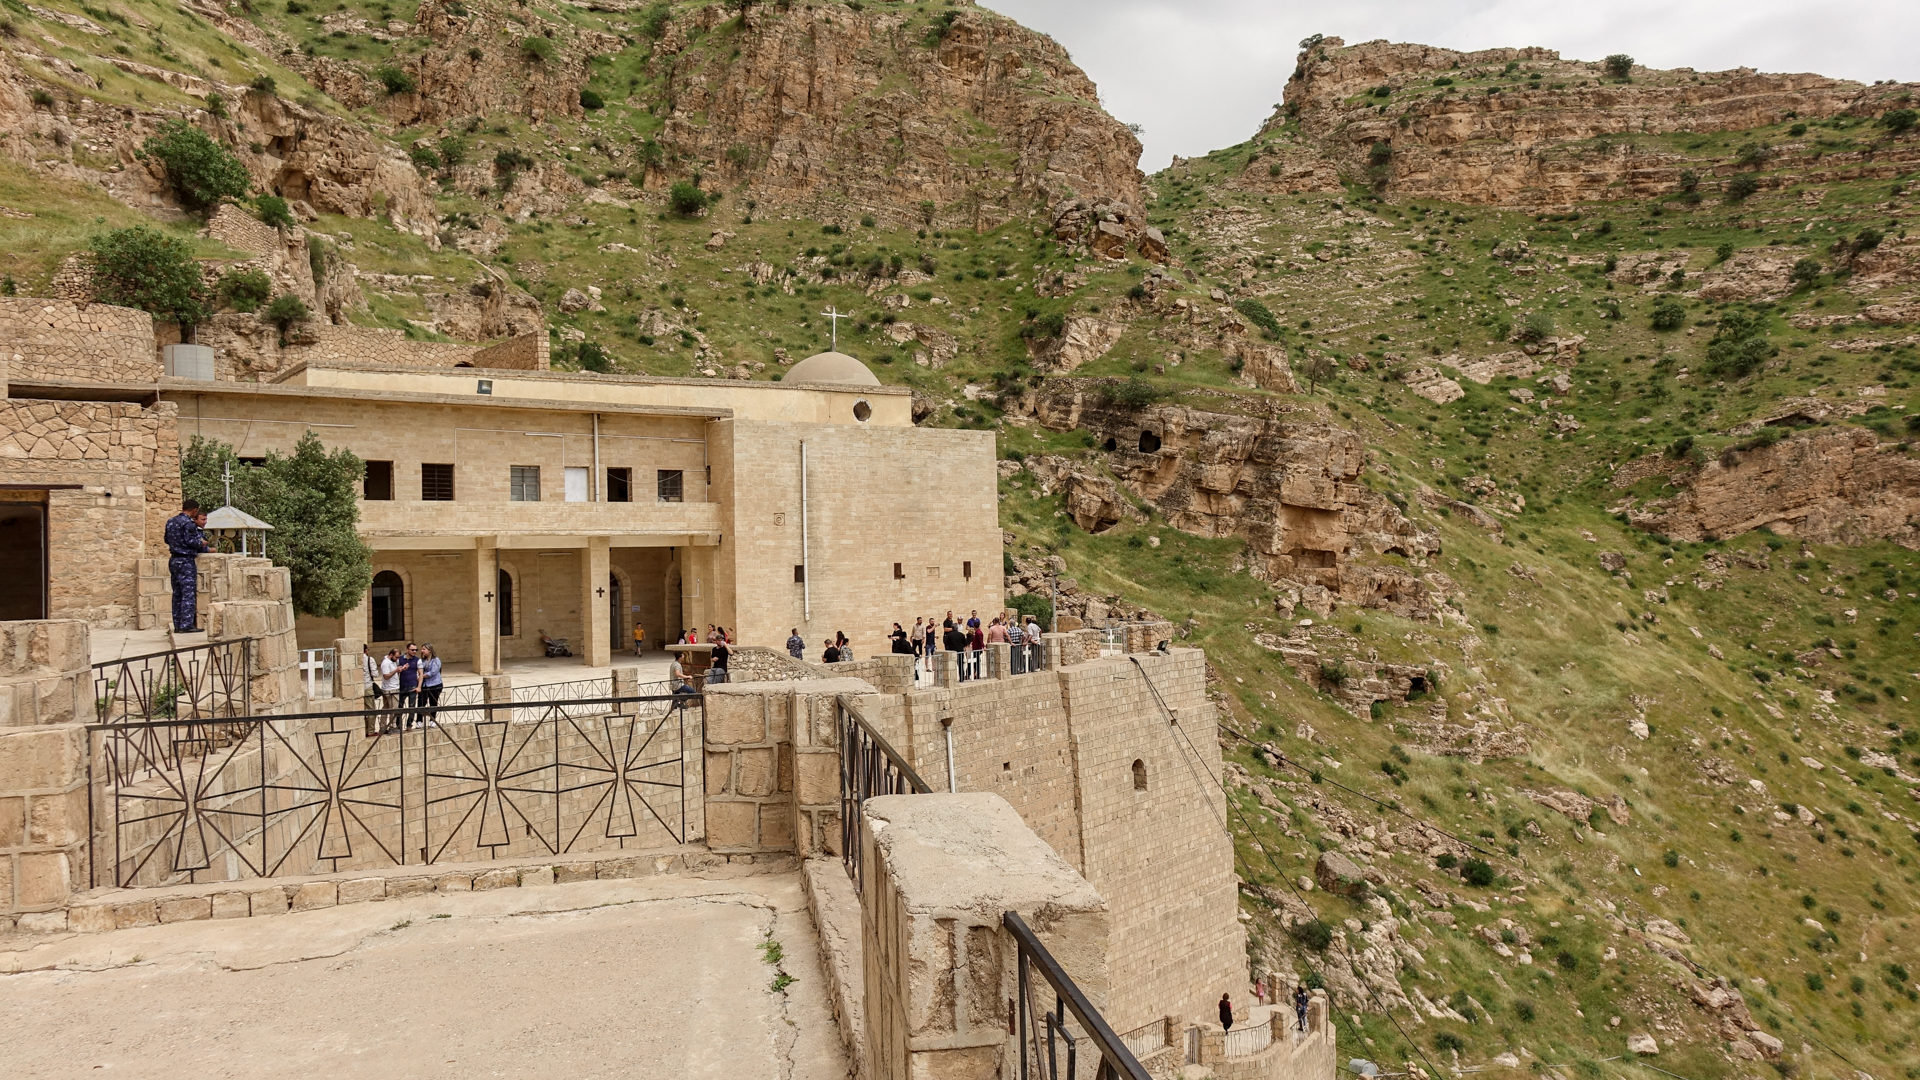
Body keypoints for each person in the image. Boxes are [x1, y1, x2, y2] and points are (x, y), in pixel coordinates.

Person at [163, 499, 210, 633]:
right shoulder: (188, 523)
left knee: (177, 593)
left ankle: (178, 624)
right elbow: (192, 541)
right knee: (188, 593)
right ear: (194, 510)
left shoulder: (171, 521)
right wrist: (202, 543)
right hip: (185, 560)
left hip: (174, 560)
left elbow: (166, 539)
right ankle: (187, 624)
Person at [360, 644, 383, 737]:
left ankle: (363, 730)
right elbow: (375, 674)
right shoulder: (369, 659)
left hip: (358, 687)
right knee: (371, 709)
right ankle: (370, 731)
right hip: (367, 685)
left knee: (361, 710)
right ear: (365, 650)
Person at [417, 643, 443, 727]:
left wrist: (421, 676)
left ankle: (432, 720)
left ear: (430, 650)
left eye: (424, 649)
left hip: (435, 684)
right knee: (421, 703)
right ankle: (419, 721)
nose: (422, 651)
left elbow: (433, 672)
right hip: (424, 685)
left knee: (433, 702)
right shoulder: (422, 661)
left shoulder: (436, 660)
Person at [396, 642, 420, 728]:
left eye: (416, 650)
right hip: (402, 686)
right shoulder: (400, 659)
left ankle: (409, 724)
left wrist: (419, 686)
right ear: (407, 650)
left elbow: (420, 673)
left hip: (413, 686)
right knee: (400, 706)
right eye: (412, 650)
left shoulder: (417, 660)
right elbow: (397, 671)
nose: (414, 651)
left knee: (412, 706)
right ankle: (398, 724)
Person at [378, 648, 401, 734]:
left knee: (386, 708)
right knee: (393, 709)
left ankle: (383, 726)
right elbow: (386, 676)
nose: (397, 659)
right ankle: (392, 726)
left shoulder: (393, 662)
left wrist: (400, 670)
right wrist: (396, 670)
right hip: (390, 689)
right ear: (391, 655)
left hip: (392, 687)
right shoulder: (386, 663)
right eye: (396, 657)